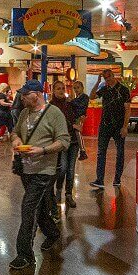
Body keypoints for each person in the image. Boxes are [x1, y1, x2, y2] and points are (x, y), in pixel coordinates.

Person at [9, 80, 71, 271]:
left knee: (28, 209)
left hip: (44, 171)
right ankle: (52, 234)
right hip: (25, 169)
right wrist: (16, 140)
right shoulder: (24, 113)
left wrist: (43, 150)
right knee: (40, 207)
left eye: (25, 94)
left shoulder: (54, 113)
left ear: (36, 94)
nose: (22, 97)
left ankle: (24, 254)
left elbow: (64, 140)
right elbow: (14, 133)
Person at [90, 69, 130, 190]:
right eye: (105, 78)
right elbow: (92, 96)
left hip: (118, 125)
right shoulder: (104, 89)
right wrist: (97, 82)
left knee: (120, 152)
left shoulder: (123, 90)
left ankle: (117, 179)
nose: (107, 79)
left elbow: (127, 109)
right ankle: (100, 180)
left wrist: (125, 126)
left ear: (113, 75)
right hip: (105, 125)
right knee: (101, 152)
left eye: (109, 77)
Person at [50, 80, 80, 210]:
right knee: (62, 168)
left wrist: (79, 124)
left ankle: (68, 194)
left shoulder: (70, 104)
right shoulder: (51, 107)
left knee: (71, 170)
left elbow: (78, 117)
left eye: (63, 88)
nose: (61, 91)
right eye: (58, 89)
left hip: (73, 140)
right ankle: (58, 190)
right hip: (61, 142)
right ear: (53, 91)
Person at [70, 83, 90, 161]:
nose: (76, 90)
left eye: (78, 87)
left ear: (82, 88)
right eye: (74, 88)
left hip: (79, 116)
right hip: (76, 117)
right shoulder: (76, 98)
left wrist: (72, 102)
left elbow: (81, 107)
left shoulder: (84, 97)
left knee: (77, 131)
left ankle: (82, 150)